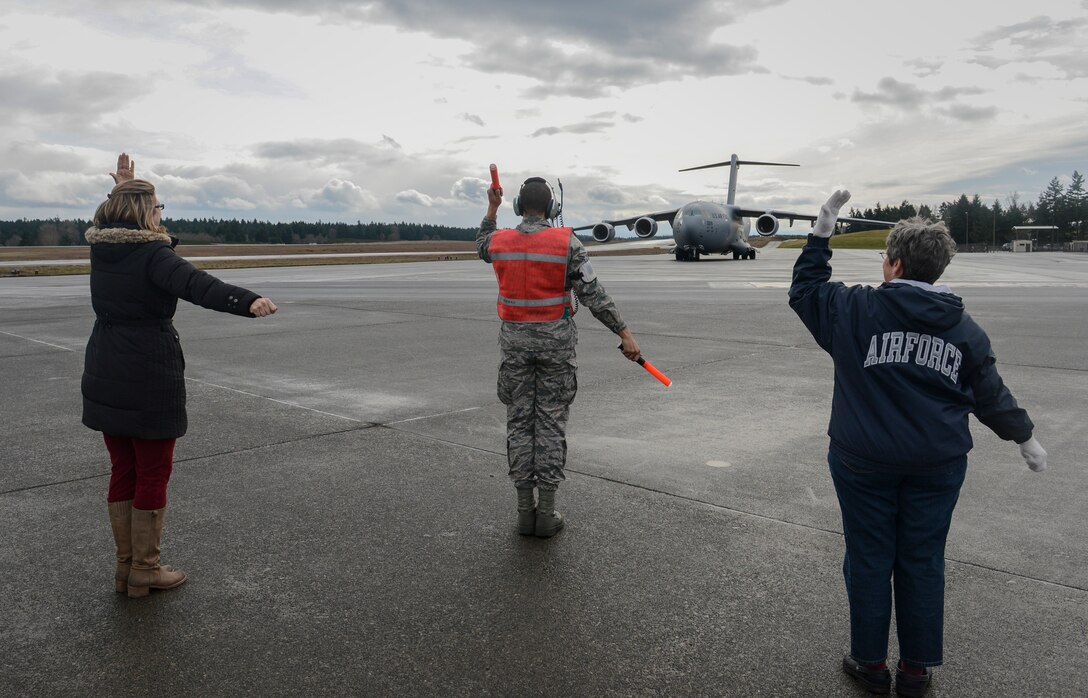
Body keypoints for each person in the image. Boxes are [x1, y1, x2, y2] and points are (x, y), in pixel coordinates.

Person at [788, 191, 1047, 696]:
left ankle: (869, 663)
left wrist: (821, 234)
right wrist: (1024, 436)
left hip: (862, 460)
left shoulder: (854, 309)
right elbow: (989, 391)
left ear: (895, 263)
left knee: (868, 556)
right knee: (922, 557)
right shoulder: (963, 327)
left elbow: (805, 291)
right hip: (937, 463)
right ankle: (914, 670)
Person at [83, 153, 278, 598]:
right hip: (147, 368)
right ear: (143, 213)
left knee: (124, 467)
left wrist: (122, 188)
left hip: (105, 364)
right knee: (153, 470)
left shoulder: (103, 248)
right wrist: (246, 300)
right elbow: (198, 284)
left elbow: (117, 221)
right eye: (157, 207)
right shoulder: (152, 253)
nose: (160, 214)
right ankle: (146, 570)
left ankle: (126, 568)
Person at [477, 177, 640, 538]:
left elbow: (480, 244)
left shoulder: (498, 241)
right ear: (553, 209)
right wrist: (623, 333)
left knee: (520, 424)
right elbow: (594, 295)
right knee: (550, 424)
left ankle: (524, 512)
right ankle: (546, 514)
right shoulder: (566, 242)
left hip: (515, 348)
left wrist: (492, 207)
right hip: (555, 349)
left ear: (519, 206)